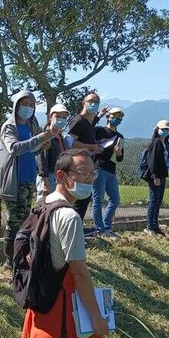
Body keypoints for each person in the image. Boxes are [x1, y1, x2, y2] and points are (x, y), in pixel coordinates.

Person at [19, 149, 109, 338]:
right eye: (81, 174)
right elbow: (80, 273)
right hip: (67, 312)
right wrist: (98, 318)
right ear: (62, 176)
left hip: (50, 302)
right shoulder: (69, 216)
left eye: (91, 175)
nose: (88, 180)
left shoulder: (45, 203)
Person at [0, 90, 53, 267]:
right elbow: (14, 148)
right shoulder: (9, 127)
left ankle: (20, 256)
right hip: (14, 182)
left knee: (25, 221)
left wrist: (41, 146)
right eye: (24, 104)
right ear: (16, 105)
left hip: (27, 180)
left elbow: (31, 150)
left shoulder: (28, 127)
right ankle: (10, 261)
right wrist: (40, 137)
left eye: (31, 105)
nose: (27, 108)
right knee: (14, 221)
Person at [66, 91, 106, 232]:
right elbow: (70, 142)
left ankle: (78, 228)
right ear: (84, 103)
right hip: (76, 167)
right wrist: (91, 147)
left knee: (84, 199)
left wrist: (96, 147)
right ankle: (73, 230)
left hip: (87, 166)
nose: (94, 104)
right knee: (77, 200)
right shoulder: (78, 121)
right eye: (91, 101)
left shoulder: (89, 123)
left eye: (97, 102)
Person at [92, 107, 125, 238]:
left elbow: (120, 159)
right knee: (97, 200)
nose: (117, 119)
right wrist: (98, 116)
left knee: (115, 199)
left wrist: (119, 153)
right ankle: (99, 229)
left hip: (111, 170)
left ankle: (107, 226)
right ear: (108, 116)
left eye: (120, 118)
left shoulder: (119, 136)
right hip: (98, 168)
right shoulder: (99, 131)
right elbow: (89, 129)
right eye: (115, 116)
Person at [142, 119, 169, 236]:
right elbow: (152, 161)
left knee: (158, 202)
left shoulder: (166, 144)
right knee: (154, 201)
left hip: (162, 175)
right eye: (163, 129)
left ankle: (155, 226)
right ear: (157, 130)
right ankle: (149, 226)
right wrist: (155, 176)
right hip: (155, 176)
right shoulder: (156, 143)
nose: (165, 131)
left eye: (167, 130)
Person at [36, 104, 72, 200]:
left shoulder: (61, 137)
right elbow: (41, 159)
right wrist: (44, 180)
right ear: (50, 117)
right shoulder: (46, 135)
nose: (61, 119)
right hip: (48, 177)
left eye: (64, 117)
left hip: (58, 176)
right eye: (58, 116)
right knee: (44, 206)